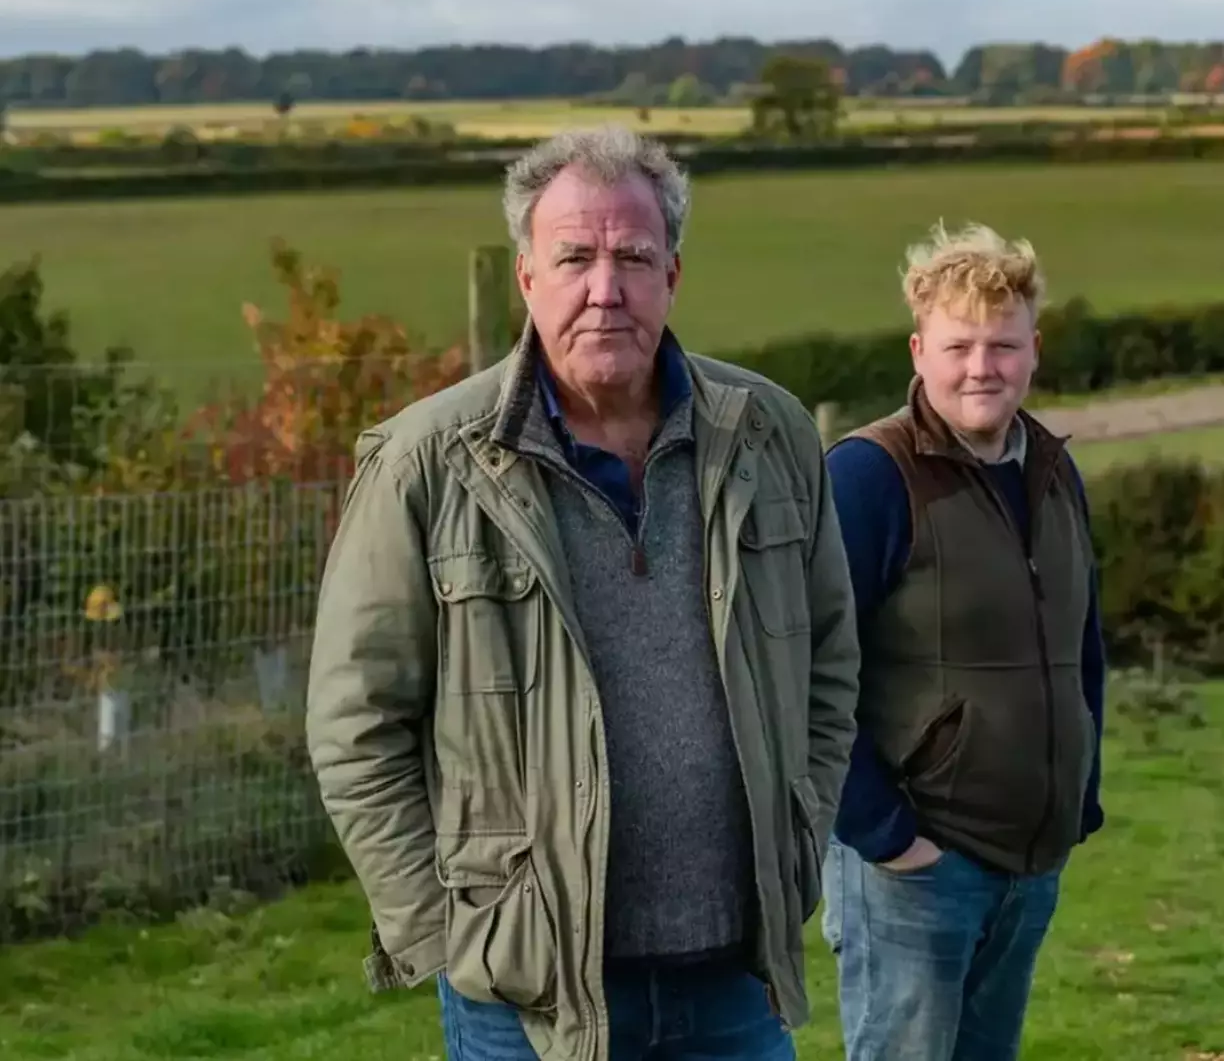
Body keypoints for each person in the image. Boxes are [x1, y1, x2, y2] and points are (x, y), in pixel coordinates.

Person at [304, 124, 860, 1061]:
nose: (606, 288)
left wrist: (800, 835)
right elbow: (355, 724)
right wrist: (447, 933)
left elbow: (834, 659)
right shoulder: (428, 462)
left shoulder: (769, 435)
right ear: (528, 277)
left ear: (673, 276)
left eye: (634, 257)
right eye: (575, 257)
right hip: (528, 999)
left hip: (735, 977)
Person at [820, 221, 1107, 1061]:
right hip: (914, 869)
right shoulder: (869, 476)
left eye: (1002, 345)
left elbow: (1082, 642)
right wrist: (882, 831)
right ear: (918, 350)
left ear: (1034, 350)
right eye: (959, 346)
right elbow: (805, 671)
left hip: (1029, 862)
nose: (982, 366)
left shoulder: (1054, 471)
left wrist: (1078, 793)